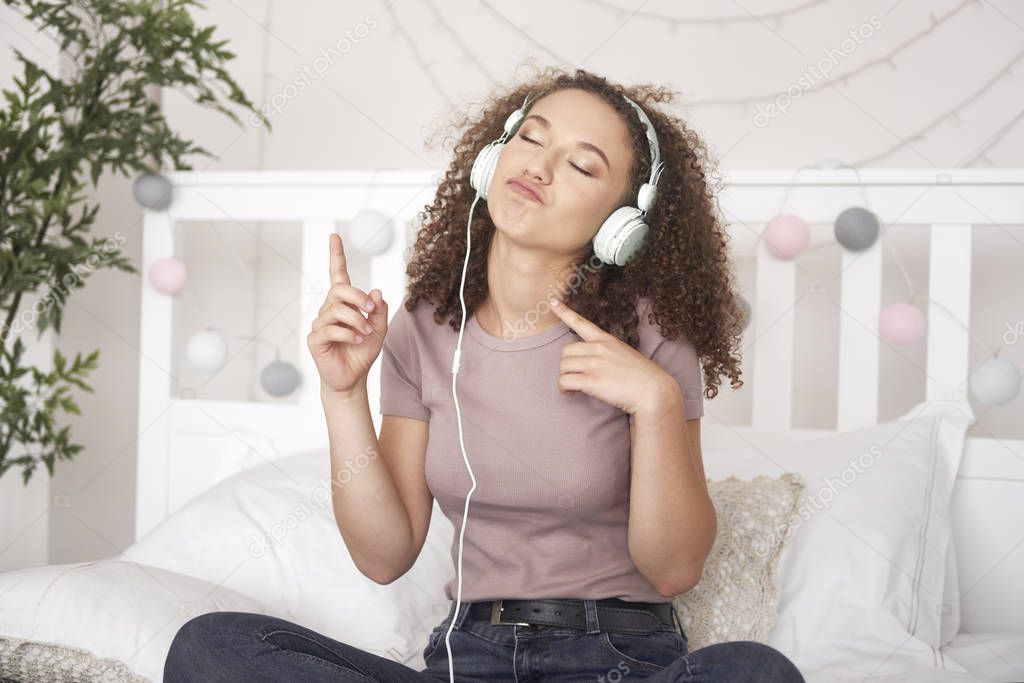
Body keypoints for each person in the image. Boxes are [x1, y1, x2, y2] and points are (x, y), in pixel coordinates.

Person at [164, 66, 803, 682]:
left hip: (618, 656)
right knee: (210, 646)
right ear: (491, 157)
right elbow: (384, 557)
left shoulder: (651, 338)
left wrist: (658, 404)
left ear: (622, 226)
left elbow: (673, 571)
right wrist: (343, 393)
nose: (539, 166)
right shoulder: (424, 329)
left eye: (582, 165)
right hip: (465, 658)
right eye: (530, 137)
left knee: (754, 671)